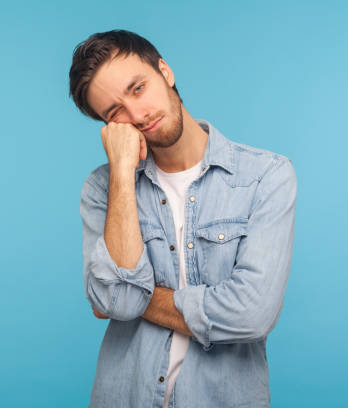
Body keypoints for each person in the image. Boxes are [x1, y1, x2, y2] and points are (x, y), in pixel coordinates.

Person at [69, 29, 297, 408]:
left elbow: (251, 314)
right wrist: (123, 174)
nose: (137, 114)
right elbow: (115, 304)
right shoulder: (101, 188)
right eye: (115, 113)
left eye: (138, 88)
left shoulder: (265, 177)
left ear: (165, 71)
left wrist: (138, 296)